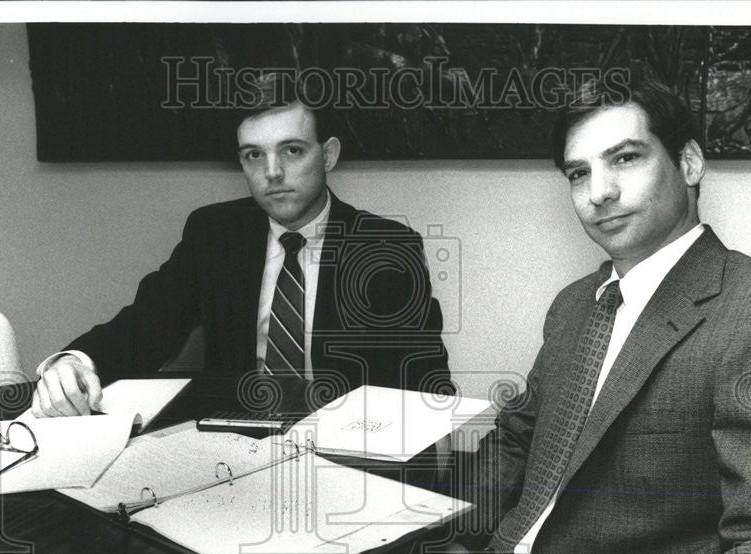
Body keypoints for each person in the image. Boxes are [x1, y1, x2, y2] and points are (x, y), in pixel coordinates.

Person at [413, 77, 751, 554]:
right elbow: (517, 441)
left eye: (625, 158)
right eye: (577, 173)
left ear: (689, 162)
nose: (599, 192)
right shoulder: (576, 305)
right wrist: (457, 545)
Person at [31, 77, 450, 416]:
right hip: (233, 449)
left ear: (329, 155)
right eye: (253, 155)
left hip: (344, 456)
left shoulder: (387, 248)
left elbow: (424, 385)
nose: (271, 172)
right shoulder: (215, 234)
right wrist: (75, 360)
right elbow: (145, 325)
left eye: (292, 150)